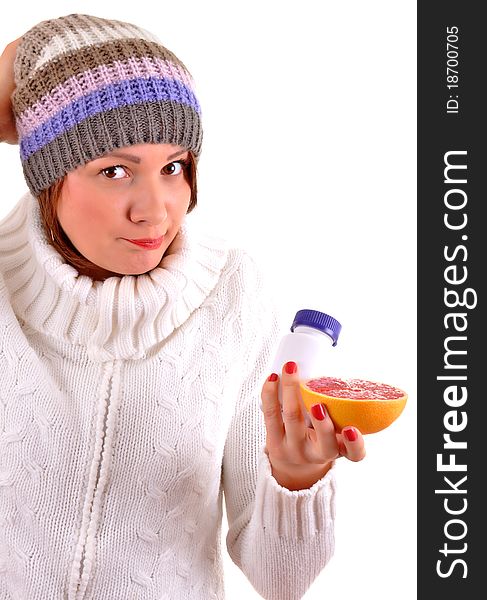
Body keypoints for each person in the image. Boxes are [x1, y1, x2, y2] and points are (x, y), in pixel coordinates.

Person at [0, 14, 365, 599]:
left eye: (173, 168)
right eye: (114, 170)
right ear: (47, 177)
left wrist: (297, 482)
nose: (156, 210)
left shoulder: (234, 294)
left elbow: (281, 581)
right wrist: (17, 63)